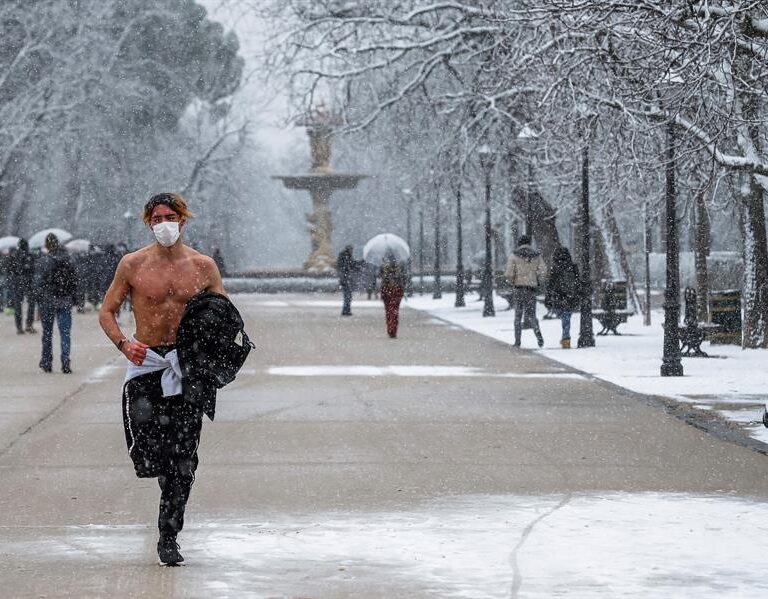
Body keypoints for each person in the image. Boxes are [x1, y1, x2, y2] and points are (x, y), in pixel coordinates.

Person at [98, 192, 226, 567]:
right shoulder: (132, 264)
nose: (163, 224)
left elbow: (223, 314)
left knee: (183, 458)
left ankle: (168, 533)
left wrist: (213, 353)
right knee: (149, 454)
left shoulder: (203, 266)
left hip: (187, 368)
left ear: (183, 220)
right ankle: (166, 477)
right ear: (148, 223)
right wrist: (124, 343)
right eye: (156, 219)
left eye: (170, 216)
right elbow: (107, 311)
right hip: (147, 363)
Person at [35, 234, 78, 373]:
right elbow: (74, 281)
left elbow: (39, 283)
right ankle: (65, 361)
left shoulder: (44, 261)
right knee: (65, 333)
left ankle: (47, 361)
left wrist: (38, 300)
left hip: (48, 300)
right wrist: (76, 299)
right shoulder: (68, 260)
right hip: (65, 299)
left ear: (47, 245)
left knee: (47, 333)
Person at [505, 235, 547, 348]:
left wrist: (513, 280)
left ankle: (517, 341)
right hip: (531, 289)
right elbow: (543, 271)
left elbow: (509, 273)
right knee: (532, 315)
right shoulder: (536, 256)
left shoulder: (514, 255)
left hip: (518, 288)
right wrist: (537, 279)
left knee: (518, 316)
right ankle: (538, 336)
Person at [545, 247, 580, 349]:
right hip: (570, 295)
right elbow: (577, 282)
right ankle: (566, 338)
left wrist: (549, 297)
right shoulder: (573, 267)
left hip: (558, 295)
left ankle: (566, 338)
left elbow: (550, 284)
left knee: (563, 315)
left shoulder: (555, 267)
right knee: (567, 316)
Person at [8, 238, 36, 334]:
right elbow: (34, 268)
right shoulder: (30, 255)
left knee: (18, 305)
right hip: (29, 282)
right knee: (31, 303)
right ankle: (29, 324)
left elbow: (9, 269)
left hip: (17, 282)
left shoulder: (14, 256)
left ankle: (19, 327)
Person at [380, 253, 407, 338]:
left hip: (386, 290)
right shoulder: (400, 266)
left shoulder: (384, 266)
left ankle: (390, 328)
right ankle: (393, 330)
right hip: (397, 290)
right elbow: (404, 278)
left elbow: (380, 276)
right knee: (395, 311)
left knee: (388, 311)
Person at [337, 244, 355, 316]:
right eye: (351, 250)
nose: (352, 251)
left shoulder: (345, 256)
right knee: (348, 296)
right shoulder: (346, 257)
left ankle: (346, 310)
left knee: (348, 296)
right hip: (345, 279)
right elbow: (348, 266)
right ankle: (346, 310)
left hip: (345, 278)